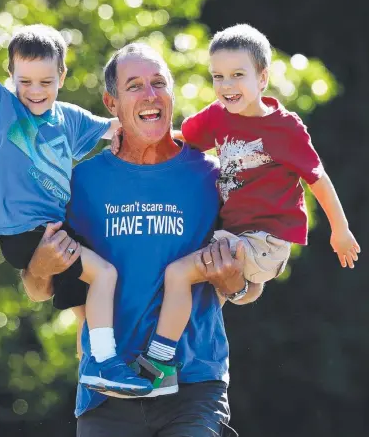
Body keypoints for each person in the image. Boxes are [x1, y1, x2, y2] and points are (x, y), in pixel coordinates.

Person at [23, 42, 265, 436]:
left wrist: (234, 283)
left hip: (194, 385)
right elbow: (39, 290)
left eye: (159, 83)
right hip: (107, 392)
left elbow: (251, 288)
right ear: (111, 102)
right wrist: (39, 267)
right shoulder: (82, 182)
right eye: (134, 85)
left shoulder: (214, 176)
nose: (150, 94)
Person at [0, 0, 152, 397]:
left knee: (87, 296)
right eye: (25, 82)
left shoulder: (68, 118)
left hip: (56, 228)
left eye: (45, 82)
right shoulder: (7, 112)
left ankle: (92, 363)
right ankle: (106, 365)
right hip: (24, 233)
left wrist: (179, 138)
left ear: (62, 75)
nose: (35, 92)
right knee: (103, 274)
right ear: (12, 78)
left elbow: (118, 126)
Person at [141, 24, 361, 373]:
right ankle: (181, 364)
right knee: (195, 293)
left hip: (266, 241)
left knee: (179, 271)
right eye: (218, 76)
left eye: (237, 75)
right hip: (234, 235)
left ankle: (157, 362)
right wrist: (142, 139)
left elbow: (317, 178)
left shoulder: (284, 128)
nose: (226, 86)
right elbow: (183, 142)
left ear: (262, 78)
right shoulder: (217, 115)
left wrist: (340, 229)